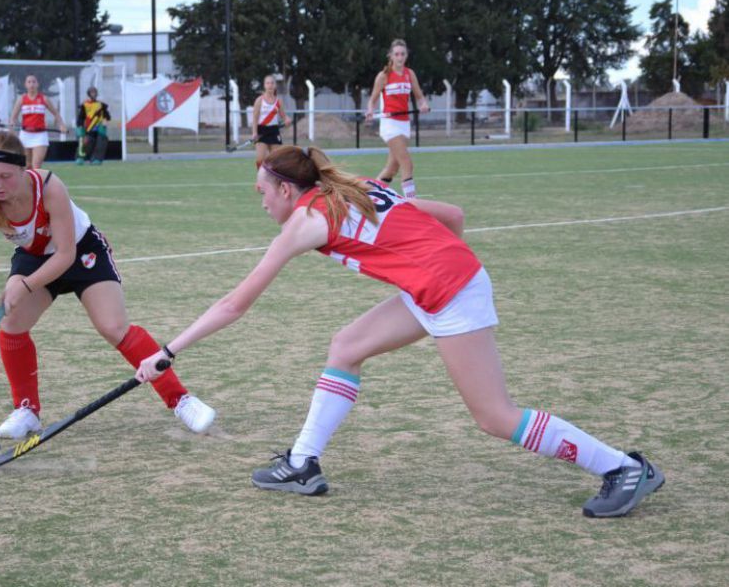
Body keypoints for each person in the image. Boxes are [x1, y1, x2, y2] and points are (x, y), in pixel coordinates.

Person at [137, 145, 664, 518]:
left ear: (284, 187)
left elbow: (236, 303)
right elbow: (452, 216)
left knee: (494, 416)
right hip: (440, 285)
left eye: (262, 193)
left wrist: (168, 352)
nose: (262, 204)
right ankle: (302, 464)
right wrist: (429, 266)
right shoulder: (355, 187)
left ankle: (623, 468)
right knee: (346, 346)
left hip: (451, 292)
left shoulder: (305, 220)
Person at [0, 130, 215, 440]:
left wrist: (26, 285)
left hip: (81, 250)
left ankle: (181, 400)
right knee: (12, 323)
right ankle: (26, 410)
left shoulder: (48, 186)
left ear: (24, 168)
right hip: (35, 257)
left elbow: (66, 254)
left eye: (5, 176)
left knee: (114, 327)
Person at [365, 39, 430, 199]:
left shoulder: (410, 74)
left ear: (406, 56)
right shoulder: (384, 75)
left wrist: (423, 105)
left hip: (404, 124)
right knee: (407, 163)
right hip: (390, 125)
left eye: (402, 54)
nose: (400, 57)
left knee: (391, 169)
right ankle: (412, 203)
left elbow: (419, 97)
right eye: (397, 54)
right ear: (391, 56)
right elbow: (372, 99)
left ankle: (368, 196)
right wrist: (370, 111)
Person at [8, 75, 68, 169]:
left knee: (36, 166)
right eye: (29, 82)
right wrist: (12, 125)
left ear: (37, 84)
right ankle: (27, 184)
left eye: (33, 82)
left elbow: (56, 113)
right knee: (26, 166)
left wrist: (62, 125)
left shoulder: (44, 99)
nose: (31, 84)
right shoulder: (22, 99)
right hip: (25, 135)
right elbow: (13, 117)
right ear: (25, 85)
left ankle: (37, 183)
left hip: (40, 136)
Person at [251, 74, 291, 169]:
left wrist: (287, 120)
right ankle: (261, 180)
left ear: (275, 85)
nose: (270, 85)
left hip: (274, 131)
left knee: (277, 160)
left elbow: (284, 116)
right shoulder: (259, 100)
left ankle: (275, 181)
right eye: (268, 83)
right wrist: (254, 133)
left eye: (272, 83)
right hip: (262, 131)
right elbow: (255, 118)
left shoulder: (278, 101)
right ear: (264, 85)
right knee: (260, 159)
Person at [76, 86, 111, 166]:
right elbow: (80, 118)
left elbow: (107, 116)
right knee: (84, 142)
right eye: (92, 92)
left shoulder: (101, 105)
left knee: (100, 143)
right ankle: (80, 157)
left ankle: (97, 159)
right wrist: (80, 127)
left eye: (94, 92)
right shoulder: (85, 105)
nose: (93, 94)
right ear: (88, 94)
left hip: (99, 128)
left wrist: (105, 121)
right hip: (88, 128)